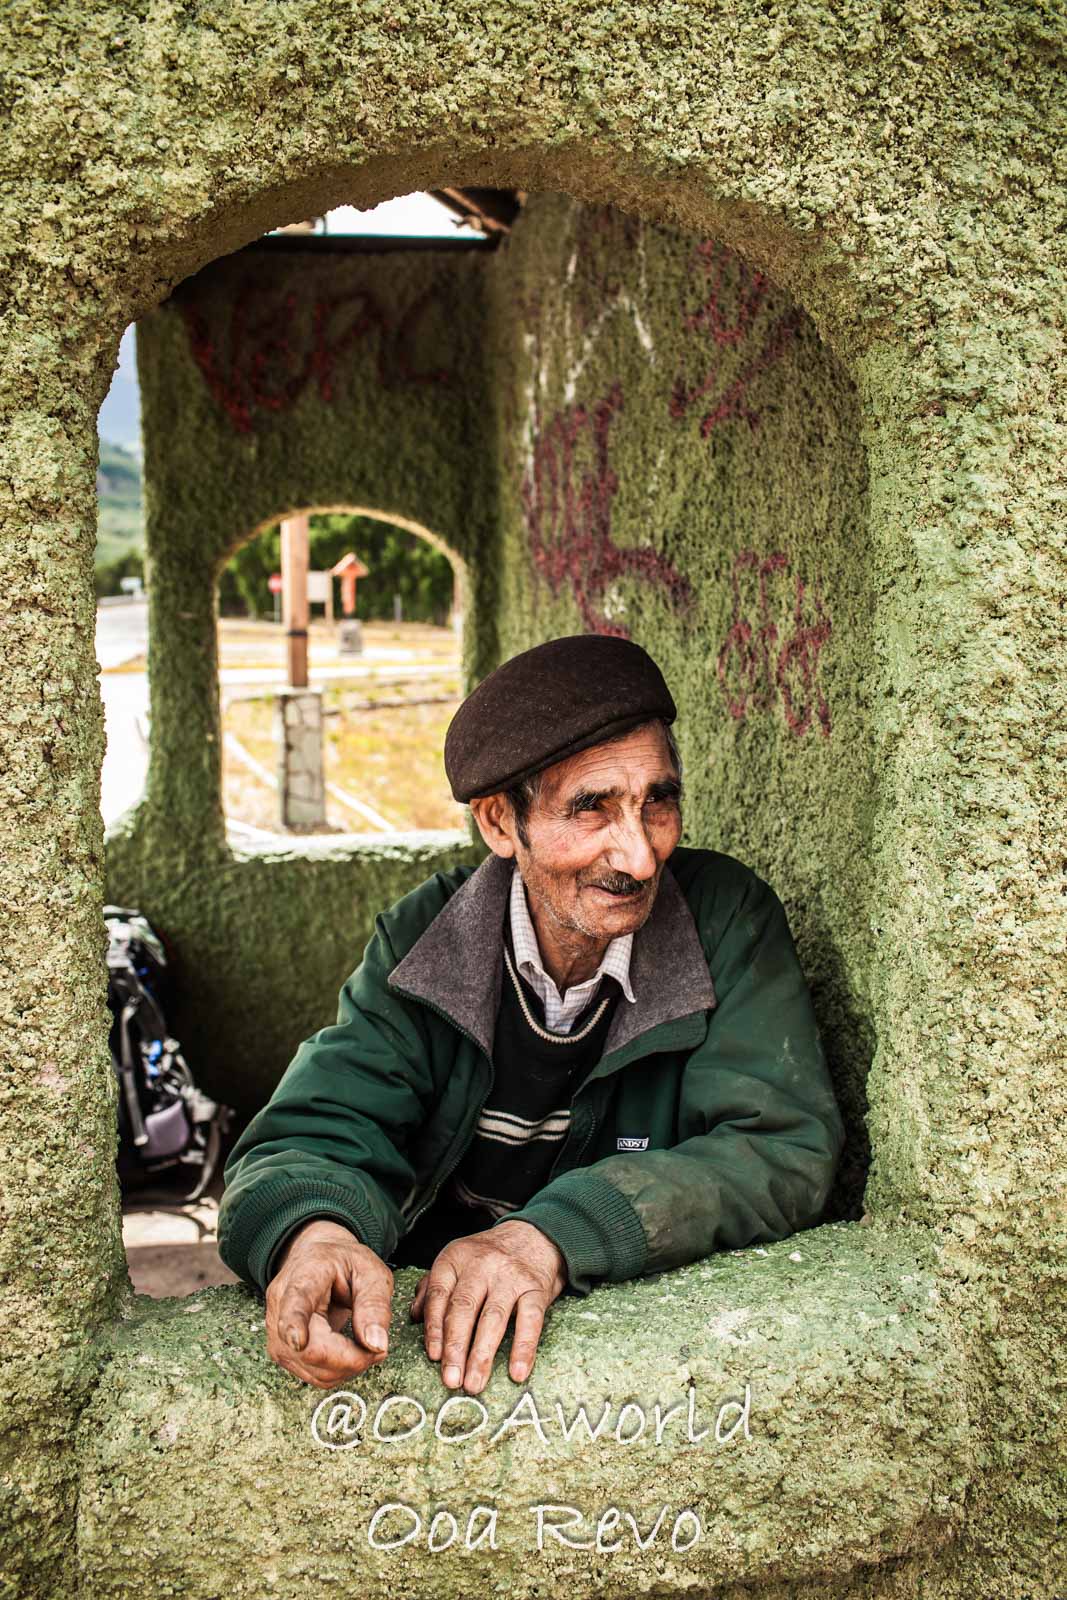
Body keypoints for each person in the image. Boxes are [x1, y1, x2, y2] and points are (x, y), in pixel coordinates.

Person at [218, 634, 844, 1394]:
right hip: (437, 1324)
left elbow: (782, 1148)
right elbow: (307, 1134)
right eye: (591, 809)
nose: (640, 857)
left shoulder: (725, 918)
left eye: (658, 801)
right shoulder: (424, 938)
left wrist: (547, 1235)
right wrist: (315, 1235)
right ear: (498, 824)